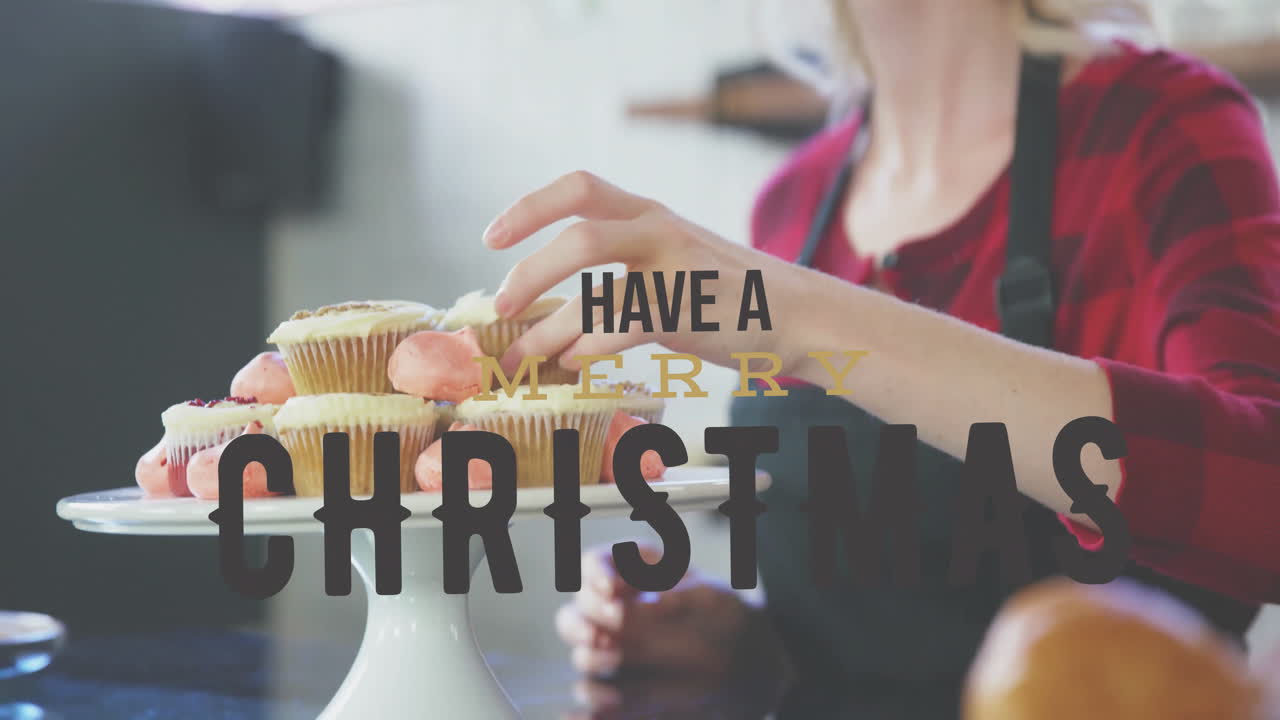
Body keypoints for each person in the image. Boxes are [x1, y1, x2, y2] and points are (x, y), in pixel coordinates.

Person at [481, 0, 1280, 716]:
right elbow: (874, 628)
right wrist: (740, 644)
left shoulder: (1159, 127)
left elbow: (1264, 497)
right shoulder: (796, 203)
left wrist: (806, 318)